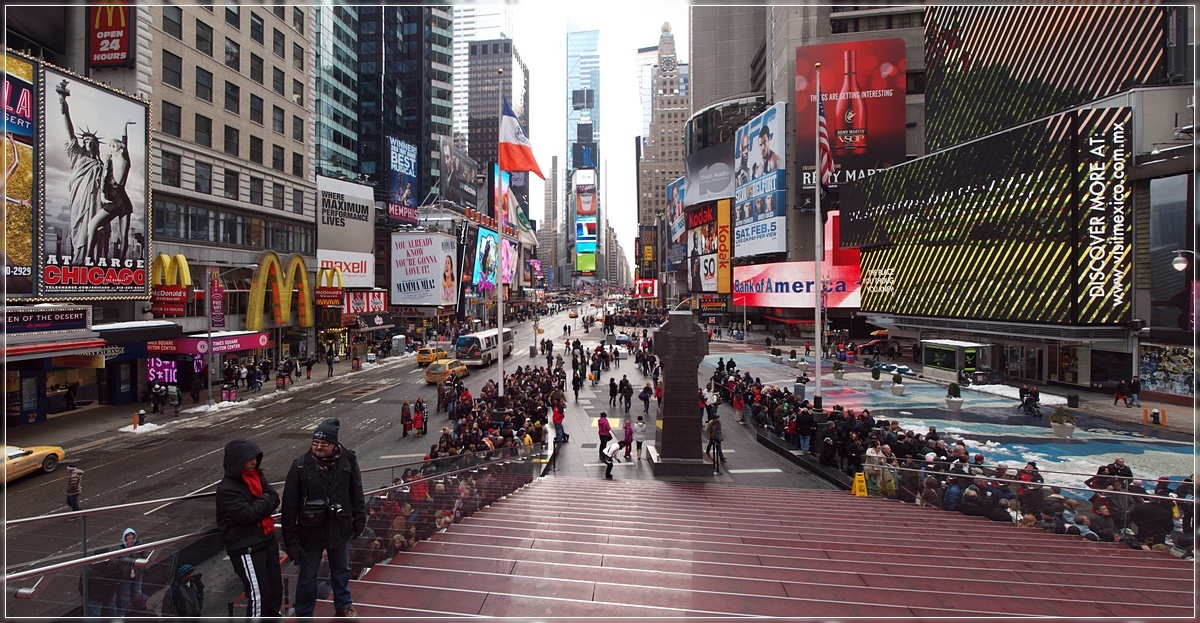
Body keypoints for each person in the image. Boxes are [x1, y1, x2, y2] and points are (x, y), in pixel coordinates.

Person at [282, 419, 366, 618]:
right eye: (315, 443)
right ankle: (303, 614)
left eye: (324, 444)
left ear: (334, 445)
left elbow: (357, 491)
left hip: (340, 527)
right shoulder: (300, 466)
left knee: (341, 570)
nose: (318, 447)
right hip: (310, 531)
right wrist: (291, 541)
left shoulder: (348, 460)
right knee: (307, 576)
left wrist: (359, 519)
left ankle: (344, 606)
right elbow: (289, 507)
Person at [216, 439, 283, 619]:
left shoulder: (257, 476)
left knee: (275, 588)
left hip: (266, 539)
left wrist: (261, 502)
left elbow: (274, 497)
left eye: (255, 458)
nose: (254, 462)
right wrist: (265, 499)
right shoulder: (227, 489)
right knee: (258, 594)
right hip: (245, 546)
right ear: (237, 462)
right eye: (249, 459)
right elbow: (247, 515)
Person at [117, 528, 144, 616]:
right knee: (126, 595)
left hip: (137, 572)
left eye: (132, 535)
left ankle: (138, 611)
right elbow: (120, 561)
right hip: (124, 575)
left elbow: (144, 558)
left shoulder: (139, 545)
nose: (130, 537)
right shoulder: (120, 548)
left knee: (137, 593)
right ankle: (126, 614)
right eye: (128, 535)